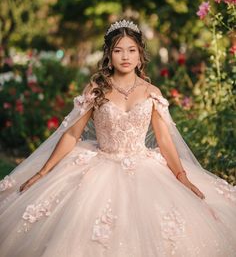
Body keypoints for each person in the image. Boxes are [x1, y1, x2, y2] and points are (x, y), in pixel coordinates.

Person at [0, 19, 235, 257]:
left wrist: (182, 177)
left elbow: (164, 140)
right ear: (109, 55)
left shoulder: (152, 93)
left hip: (145, 168)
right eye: (118, 50)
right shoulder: (96, 89)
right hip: (101, 165)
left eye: (132, 50)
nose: (126, 56)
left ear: (140, 55)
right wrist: (43, 172)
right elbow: (72, 133)